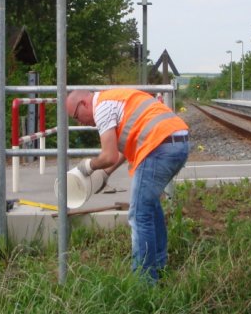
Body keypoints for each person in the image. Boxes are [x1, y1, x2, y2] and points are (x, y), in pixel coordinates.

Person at [65, 87, 189, 281]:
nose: (79, 122)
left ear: (84, 104)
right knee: (151, 207)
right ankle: (159, 266)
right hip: (177, 143)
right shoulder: (115, 99)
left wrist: (88, 166)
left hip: (159, 148)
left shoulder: (102, 108)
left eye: (76, 116)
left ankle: (144, 282)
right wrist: (105, 174)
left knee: (139, 215)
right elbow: (121, 151)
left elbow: (108, 155)